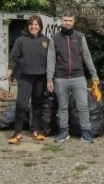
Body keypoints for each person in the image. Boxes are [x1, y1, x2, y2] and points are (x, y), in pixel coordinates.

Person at [47, 11, 98, 143]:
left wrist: (94, 74)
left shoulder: (80, 37)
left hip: (78, 77)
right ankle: (64, 132)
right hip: (60, 78)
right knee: (62, 107)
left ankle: (86, 132)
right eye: (65, 20)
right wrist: (49, 78)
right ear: (61, 21)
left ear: (74, 22)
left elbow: (87, 57)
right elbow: (51, 60)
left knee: (83, 106)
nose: (67, 23)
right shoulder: (54, 38)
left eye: (70, 20)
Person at [6, 15, 51, 144]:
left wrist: (50, 78)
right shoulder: (21, 40)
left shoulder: (46, 41)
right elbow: (14, 57)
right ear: (28, 26)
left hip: (40, 78)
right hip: (25, 77)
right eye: (31, 24)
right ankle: (17, 132)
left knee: (37, 104)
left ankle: (36, 130)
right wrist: (9, 72)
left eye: (36, 24)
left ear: (40, 26)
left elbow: (51, 60)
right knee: (21, 104)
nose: (33, 27)